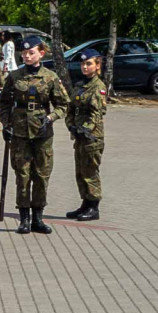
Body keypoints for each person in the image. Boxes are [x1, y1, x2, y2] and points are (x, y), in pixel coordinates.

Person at [0, 36, 69, 235]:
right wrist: (6, 123)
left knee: (41, 175)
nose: (27, 56)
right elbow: (3, 103)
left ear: (41, 53)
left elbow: (64, 104)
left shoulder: (50, 77)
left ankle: (38, 216)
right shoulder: (14, 76)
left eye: (31, 53)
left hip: (42, 132)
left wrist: (52, 116)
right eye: (24, 53)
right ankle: (24, 218)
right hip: (20, 132)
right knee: (22, 175)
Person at [65, 48, 107, 222]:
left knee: (90, 171)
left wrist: (85, 129)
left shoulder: (98, 86)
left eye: (88, 63)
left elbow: (97, 113)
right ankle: (85, 203)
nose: (84, 67)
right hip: (80, 135)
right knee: (80, 171)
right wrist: (71, 126)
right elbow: (71, 109)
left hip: (91, 137)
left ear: (97, 66)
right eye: (83, 64)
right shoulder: (80, 85)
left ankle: (93, 207)